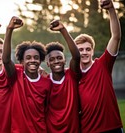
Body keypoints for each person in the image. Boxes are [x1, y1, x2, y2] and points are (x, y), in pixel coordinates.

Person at [74, 0, 123, 132]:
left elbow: (116, 36)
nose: (84, 52)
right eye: (80, 49)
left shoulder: (103, 64)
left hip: (112, 128)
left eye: (87, 49)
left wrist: (111, 10)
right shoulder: (72, 75)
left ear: (92, 51)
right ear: (75, 52)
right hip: (87, 130)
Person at [2, 16, 52, 133]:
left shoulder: (47, 82)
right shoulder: (16, 76)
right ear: (21, 61)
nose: (32, 60)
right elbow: (6, 60)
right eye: (28, 58)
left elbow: (47, 109)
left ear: (40, 60)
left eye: (36, 57)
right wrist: (9, 30)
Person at [45, 20, 81, 133]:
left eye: (59, 58)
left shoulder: (71, 75)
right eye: (52, 59)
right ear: (47, 63)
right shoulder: (45, 81)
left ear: (65, 60)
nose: (56, 61)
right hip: (51, 130)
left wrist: (63, 30)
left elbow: (76, 56)